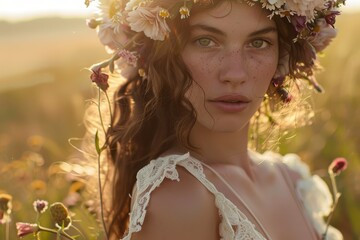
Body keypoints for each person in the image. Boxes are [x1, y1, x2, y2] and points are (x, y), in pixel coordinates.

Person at [83, 0, 346, 239]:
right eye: (206, 41)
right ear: (165, 56)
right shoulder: (180, 199)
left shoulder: (291, 178)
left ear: (282, 57)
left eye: (258, 43)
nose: (235, 73)